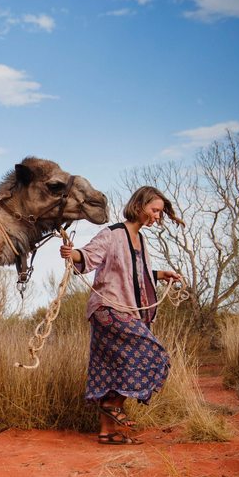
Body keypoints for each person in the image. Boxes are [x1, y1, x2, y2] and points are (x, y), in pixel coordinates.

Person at [60, 186, 183, 446]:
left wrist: (162, 275)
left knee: (113, 370)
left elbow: (136, 273)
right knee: (153, 351)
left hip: (125, 308)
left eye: (160, 213)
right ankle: (110, 404)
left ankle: (108, 433)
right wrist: (74, 254)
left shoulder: (141, 240)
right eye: (154, 210)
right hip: (108, 308)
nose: (157, 217)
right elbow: (88, 256)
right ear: (139, 206)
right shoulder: (112, 234)